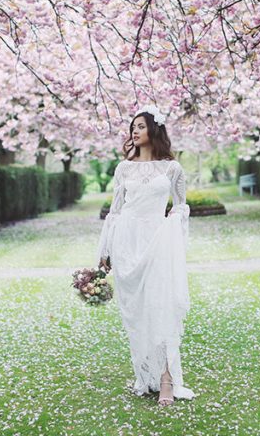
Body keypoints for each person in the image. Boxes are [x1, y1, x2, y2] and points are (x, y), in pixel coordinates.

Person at [97, 104, 196, 407]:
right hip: (128, 242)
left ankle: (166, 379)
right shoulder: (123, 168)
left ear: (154, 129)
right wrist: (105, 251)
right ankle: (146, 374)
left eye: (140, 126)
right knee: (138, 314)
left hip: (158, 243)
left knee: (161, 308)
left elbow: (180, 206)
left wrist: (171, 231)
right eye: (133, 128)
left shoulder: (172, 168)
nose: (135, 132)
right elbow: (115, 212)